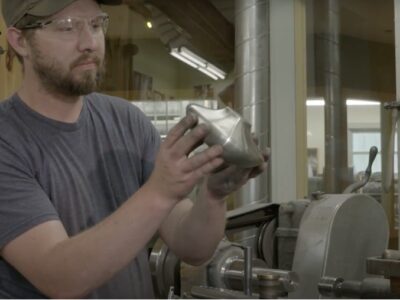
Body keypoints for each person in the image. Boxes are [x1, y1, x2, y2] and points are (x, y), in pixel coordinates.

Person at [0, 0, 268, 298]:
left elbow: (192, 247)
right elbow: (60, 278)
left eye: (96, 24)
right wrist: (160, 191)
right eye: (67, 27)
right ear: (20, 41)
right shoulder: (7, 140)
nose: (89, 43)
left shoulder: (127, 121)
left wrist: (214, 195)